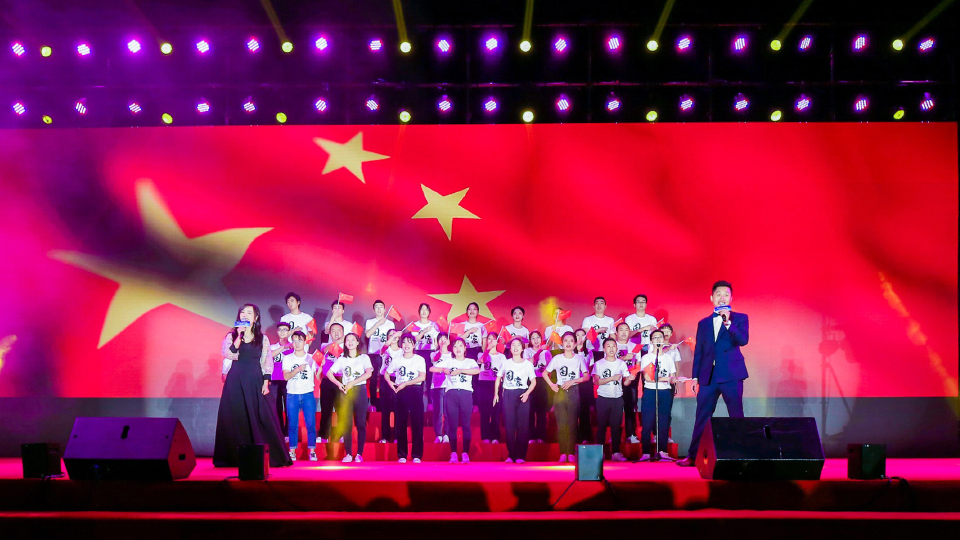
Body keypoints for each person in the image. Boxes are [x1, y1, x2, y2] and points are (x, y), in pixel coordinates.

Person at [677, 280, 750, 467]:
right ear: (711, 298)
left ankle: (741, 455)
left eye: (726, 294)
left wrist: (728, 323)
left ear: (731, 298)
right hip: (708, 376)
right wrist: (695, 377)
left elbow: (743, 340)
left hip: (731, 375)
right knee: (702, 416)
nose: (722, 297)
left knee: (736, 415)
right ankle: (693, 456)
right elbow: (699, 352)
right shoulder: (703, 323)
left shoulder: (740, 318)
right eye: (718, 294)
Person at [214, 304, 292, 468]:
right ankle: (233, 457)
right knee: (235, 416)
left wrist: (266, 382)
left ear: (256, 318)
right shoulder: (232, 336)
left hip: (255, 379)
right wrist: (239, 336)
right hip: (236, 380)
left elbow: (267, 362)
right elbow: (228, 353)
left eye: (249, 313)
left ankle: (268, 456)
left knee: (261, 416)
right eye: (242, 312)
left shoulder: (262, 339)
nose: (245, 315)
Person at [430, 337, 480, 463]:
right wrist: (443, 369)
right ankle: (453, 453)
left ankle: (465, 453)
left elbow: (477, 370)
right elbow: (432, 368)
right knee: (452, 425)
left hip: (466, 394)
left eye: (460, 346)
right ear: (452, 349)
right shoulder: (449, 361)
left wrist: (460, 371)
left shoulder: (470, 361)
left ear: (465, 348)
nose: (458, 348)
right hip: (451, 394)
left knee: (466, 425)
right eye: (455, 346)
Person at [327, 332, 374, 463]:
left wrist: (352, 382)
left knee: (360, 423)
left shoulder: (364, 358)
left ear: (358, 342)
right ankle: (348, 453)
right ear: (345, 343)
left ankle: (359, 453)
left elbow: (369, 373)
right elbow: (329, 373)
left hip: (360, 391)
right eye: (348, 340)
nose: (350, 342)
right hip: (346, 392)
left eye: (353, 340)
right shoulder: (342, 359)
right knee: (347, 424)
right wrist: (339, 384)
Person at [543, 332, 590, 462]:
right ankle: (563, 452)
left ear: (575, 344)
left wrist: (573, 381)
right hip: (560, 392)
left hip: (574, 391)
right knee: (562, 424)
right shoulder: (557, 358)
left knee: (573, 423)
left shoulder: (579, 358)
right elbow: (545, 373)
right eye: (566, 341)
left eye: (571, 341)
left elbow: (587, 376)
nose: (568, 343)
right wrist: (552, 385)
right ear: (562, 343)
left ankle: (571, 452)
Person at [385, 333, 427, 463]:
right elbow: (387, 373)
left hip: (415, 390)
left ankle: (417, 455)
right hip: (400, 391)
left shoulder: (419, 359)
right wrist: (391, 383)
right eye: (404, 342)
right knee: (400, 423)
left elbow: (422, 377)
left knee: (417, 423)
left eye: (409, 342)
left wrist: (406, 383)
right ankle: (402, 455)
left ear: (414, 345)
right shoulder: (397, 359)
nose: (406, 345)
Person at [494, 338, 537, 463]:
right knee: (509, 425)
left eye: (518, 345)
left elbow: (533, 381)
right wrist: (496, 394)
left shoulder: (528, 364)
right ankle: (511, 455)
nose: (516, 347)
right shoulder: (506, 363)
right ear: (510, 349)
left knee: (522, 426)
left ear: (522, 348)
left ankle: (520, 456)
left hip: (523, 394)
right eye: (513, 345)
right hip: (508, 394)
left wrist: (527, 393)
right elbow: (498, 378)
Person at [639, 330, 678, 460]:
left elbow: (672, 377)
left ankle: (662, 451)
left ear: (663, 340)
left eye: (660, 337)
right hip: (650, 391)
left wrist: (671, 380)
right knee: (647, 422)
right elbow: (648, 378)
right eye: (655, 338)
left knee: (663, 422)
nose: (658, 340)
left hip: (665, 392)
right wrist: (667, 379)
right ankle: (645, 452)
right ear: (651, 341)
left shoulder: (669, 358)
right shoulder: (646, 358)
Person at [593, 338, 631, 462]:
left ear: (617, 349)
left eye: (613, 346)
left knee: (616, 427)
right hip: (603, 398)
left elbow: (625, 383)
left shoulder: (621, 363)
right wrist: (611, 378)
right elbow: (596, 381)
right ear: (604, 349)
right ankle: (600, 453)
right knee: (601, 426)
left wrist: (630, 378)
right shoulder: (599, 363)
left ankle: (616, 452)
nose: (611, 348)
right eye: (608, 346)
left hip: (617, 398)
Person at [282, 331, 318, 462]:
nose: (297, 343)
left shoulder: (311, 358)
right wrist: (297, 369)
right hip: (292, 394)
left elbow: (319, 377)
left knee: (311, 424)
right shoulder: (287, 358)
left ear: (305, 342)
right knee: (292, 424)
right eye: (295, 341)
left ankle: (312, 451)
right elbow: (286, 376)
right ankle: (292, 451)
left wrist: (321, 366)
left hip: (308, 393)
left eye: (300, 340)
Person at [316, 322, 345, 443]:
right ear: (330, 333)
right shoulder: (325, 345)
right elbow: (326, 349)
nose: (336, 333)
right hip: (327, 380)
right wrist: (336, 343)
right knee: (326, 409)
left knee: (341, 409)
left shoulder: (348, 345)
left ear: (343, 332)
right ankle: (324, 435)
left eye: (339, 330)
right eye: (333, 331)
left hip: (342, 380)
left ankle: (342, 434)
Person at [364, 300, 395, 411]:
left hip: (386, 353)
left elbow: (393, 338)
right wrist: (378, 324)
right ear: (373, 310)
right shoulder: (370, 322)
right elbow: (368, 334)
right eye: (376, 307)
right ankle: (373, 403)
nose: (379, 309)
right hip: (373, 353)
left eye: (381, 307)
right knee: (373, 379)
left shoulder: (390, 323)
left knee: (385, 377)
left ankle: (385, 402)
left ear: (385, 309)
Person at [523, 331, 552, 443]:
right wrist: (540, 350)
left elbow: (549, 370)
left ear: (541, 339)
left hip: (542, 382)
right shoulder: (527, 351)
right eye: (533, 338)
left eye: (538, 337)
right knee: (530, 410)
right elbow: (530, 362)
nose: (536, 340)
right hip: (530, 381)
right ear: (530, 341)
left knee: (541, 411)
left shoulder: (547, 352)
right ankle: (531, 437)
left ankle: (541, 436)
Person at [615, 322, 640, 444]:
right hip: (615, 381)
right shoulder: (611, 345)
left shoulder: (635, 346)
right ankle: (615, 435)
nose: (624, 332)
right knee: (615, 409)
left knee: (630, 408)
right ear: (616, 332)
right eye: (621, 329)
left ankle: (631, 434)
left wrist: (632, 375)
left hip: (630, 381)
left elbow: (638, 364)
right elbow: (608, 361)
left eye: (626, 330)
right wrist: (624, 358)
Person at [476, 332, 504, 443]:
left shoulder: (502, 356)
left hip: (496, 384)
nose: (491, 340)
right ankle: (485, 436)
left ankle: (495, 436)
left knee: (495, 411)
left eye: (493, 339)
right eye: (489, 339)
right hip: (483, 384)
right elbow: (482, 360)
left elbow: (504, 372)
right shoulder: (481, 354)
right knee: (485, 411)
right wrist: (488, 349)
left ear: (497, 341)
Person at [269, 322, 294, 440]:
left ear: (289, 332)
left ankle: (288, 432)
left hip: (288, 379)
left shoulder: (294, 346)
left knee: (289, 406)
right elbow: (269, 356)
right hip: (274, 380)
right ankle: (279, 432)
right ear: (277, 332)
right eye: (280, 330)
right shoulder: (272, 346)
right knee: (276, 406)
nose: (283, 332)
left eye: (285, 330)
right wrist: (283, 347)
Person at [378, 329, 401, 443]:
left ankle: (397, 436)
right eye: (391, 335)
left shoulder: (402, 351)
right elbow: (384, 347)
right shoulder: (385, 349)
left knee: (398, 409)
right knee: (385, 410)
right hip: (385, 380)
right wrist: (392, 337)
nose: (393, 337)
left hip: (398, 380)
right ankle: (385, 437)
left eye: (395, 335)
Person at [573, 328, 595, 443]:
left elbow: (589, 370)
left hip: (585, 384)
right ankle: (573, 437)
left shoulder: (589, 352)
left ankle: (585, 437)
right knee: (573, 411)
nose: (581, 337)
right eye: (578, 335)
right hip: (573, 384)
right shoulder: (569, 352)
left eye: (583, 335)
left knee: (584, 411)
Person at [430, 332, 452, 443]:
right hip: (437, 386)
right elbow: (435, 359)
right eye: (440, 339)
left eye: (445, 339)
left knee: (448, 411)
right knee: (438, 412)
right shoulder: (434, 354)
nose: (443, 341)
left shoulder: (453, 355)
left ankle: (447, 434)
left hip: (449, 386)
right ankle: (438, 434)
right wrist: (441, 350)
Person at [581, 296, 616, 361]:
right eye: (597, 303)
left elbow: (613, 336)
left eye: (601, 303)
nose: (599, 305)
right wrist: (599, 330)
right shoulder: (587, 319)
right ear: (593, 306)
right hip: (591, 351)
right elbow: (585, 336)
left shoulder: (610, 320)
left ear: (605, 306)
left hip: (605, 351)